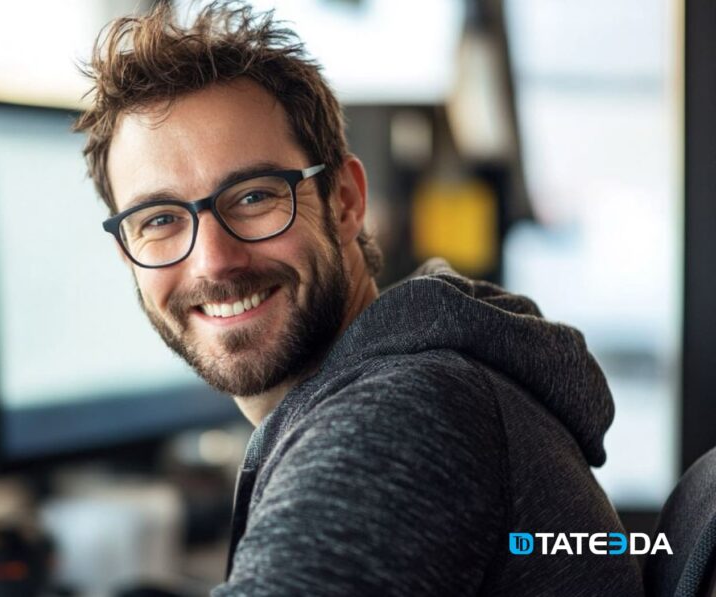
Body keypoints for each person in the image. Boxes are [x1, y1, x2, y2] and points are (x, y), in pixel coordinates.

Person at [74, 2, 644, 595]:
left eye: (252, 197)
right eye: (159, 219)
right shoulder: (402, 384)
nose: (214, 260)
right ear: (128, 252)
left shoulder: (397, 418)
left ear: (344, 200)